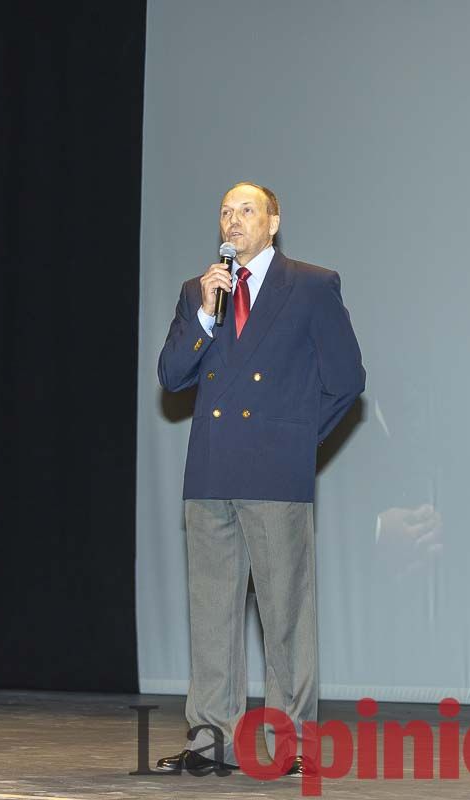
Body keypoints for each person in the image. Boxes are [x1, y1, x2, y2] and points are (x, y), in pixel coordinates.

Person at [155, 182, 365, 776]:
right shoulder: (199, 292)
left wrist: (296, 441)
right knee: (212, 613)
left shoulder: (312, 285)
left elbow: (348, 379)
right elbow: (172, 376)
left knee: (285, 616)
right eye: (224, 211)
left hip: (276, 473)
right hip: (211, 472)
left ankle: (291, 742)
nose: (233, 219)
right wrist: (202, 311)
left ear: (273, 222)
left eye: (246, 210)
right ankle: (210, 740)